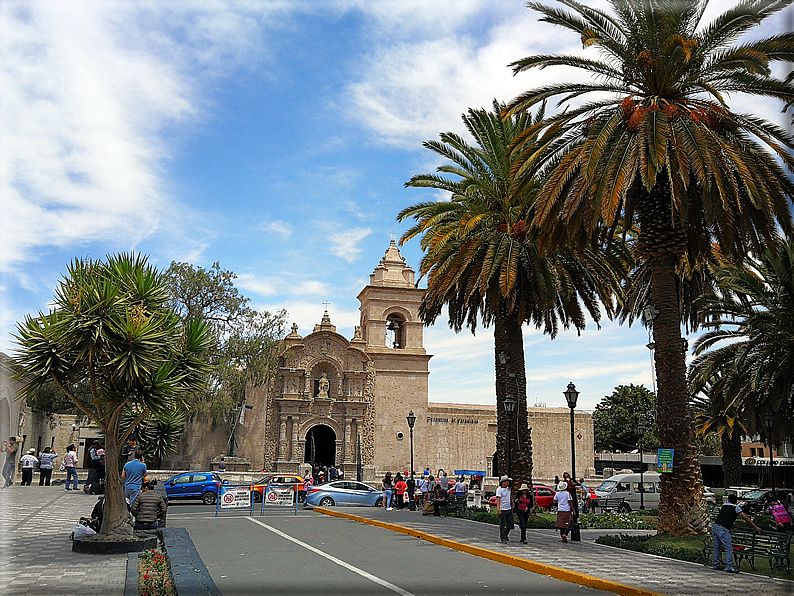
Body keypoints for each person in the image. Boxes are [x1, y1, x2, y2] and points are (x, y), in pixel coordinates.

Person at [713, 493, 760, 572]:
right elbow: (746, 518)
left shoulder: (724, 506)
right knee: (728, 548)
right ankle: (729, 566)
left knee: (716, 547)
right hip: (724, 528)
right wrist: (755, 527)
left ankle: (715, 564)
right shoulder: (736, 508)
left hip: (716, 526)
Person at [496, 475, 513, 543]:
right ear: (503, 482)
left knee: (510, 523)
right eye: (507, 482)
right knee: (502, 524)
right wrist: (499, 509)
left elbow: (510, 497)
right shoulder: (499, 489)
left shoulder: (508, 489)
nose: (508, 483)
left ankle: (505, 534)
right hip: (502, 509)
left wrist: (512, 503)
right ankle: (503, 537)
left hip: (508, 509)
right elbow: (498, 499)